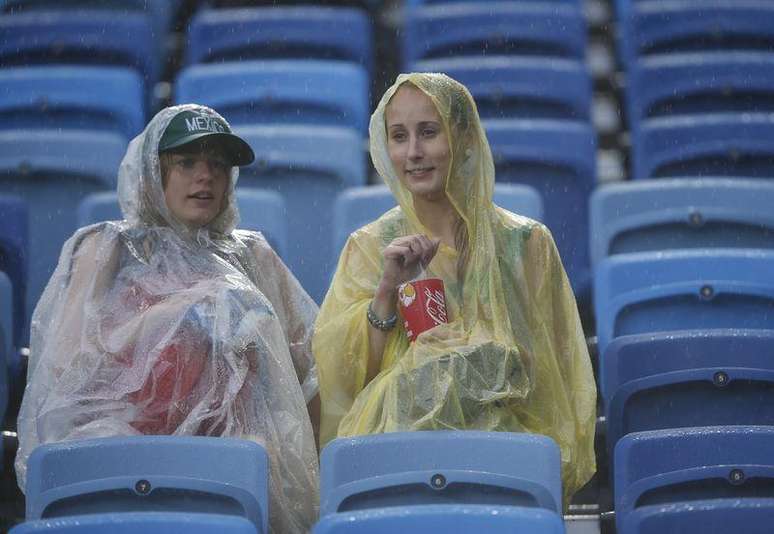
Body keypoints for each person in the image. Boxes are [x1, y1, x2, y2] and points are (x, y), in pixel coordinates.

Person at [15, 104, 320, 533]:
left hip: (232, 453)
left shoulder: (251, 255)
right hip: (126, 440)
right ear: (150, 174)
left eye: (218, 163)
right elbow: (70, 364)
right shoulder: (108, 248)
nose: (205, 176)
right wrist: (178, 309)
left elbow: (307, 370)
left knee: (257, 457)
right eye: (187, 162)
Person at [313, 73, 596, 504]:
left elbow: (551, 379)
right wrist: (388, 290)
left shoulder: (528, 244)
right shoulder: (369, 249)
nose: (413, 152)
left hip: (504, 461)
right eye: (399, 136)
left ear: (464, 137)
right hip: (398, 462)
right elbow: (347, 387)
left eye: (429, 132)